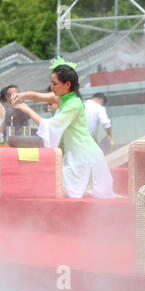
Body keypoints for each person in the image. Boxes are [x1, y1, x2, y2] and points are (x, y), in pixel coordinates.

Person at [11, 57, 115, 199]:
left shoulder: (73, 104)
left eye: (55, 84)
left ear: (67, 84)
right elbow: (37, 95)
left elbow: (50, 126)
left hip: (85, 157)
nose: (52, 87)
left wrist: (26, 109)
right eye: (51, 83)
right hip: (77, 155)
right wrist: (22, 94)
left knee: (71, 194)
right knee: (66, 193)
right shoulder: (62, 97)